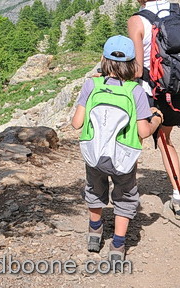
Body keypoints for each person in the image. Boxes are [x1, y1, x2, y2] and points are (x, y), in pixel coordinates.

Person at [71, 35, 162, 261]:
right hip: (122, 157)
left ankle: (94, 233)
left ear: (103, 59)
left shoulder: (92, 84)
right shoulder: (135, 91)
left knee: (94, 189)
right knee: (125, 196)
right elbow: (143, 132)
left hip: (94, 153)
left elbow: (76, 123)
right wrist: (157, 118)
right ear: (132, 64)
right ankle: (118, 246)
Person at [121, 0, 180, 219]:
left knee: (135, 140)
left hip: (148, 89)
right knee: (166, 140)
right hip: (175, 86)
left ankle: (126, 199)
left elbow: (134, 68)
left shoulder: (137, 20)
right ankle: (179, 197)